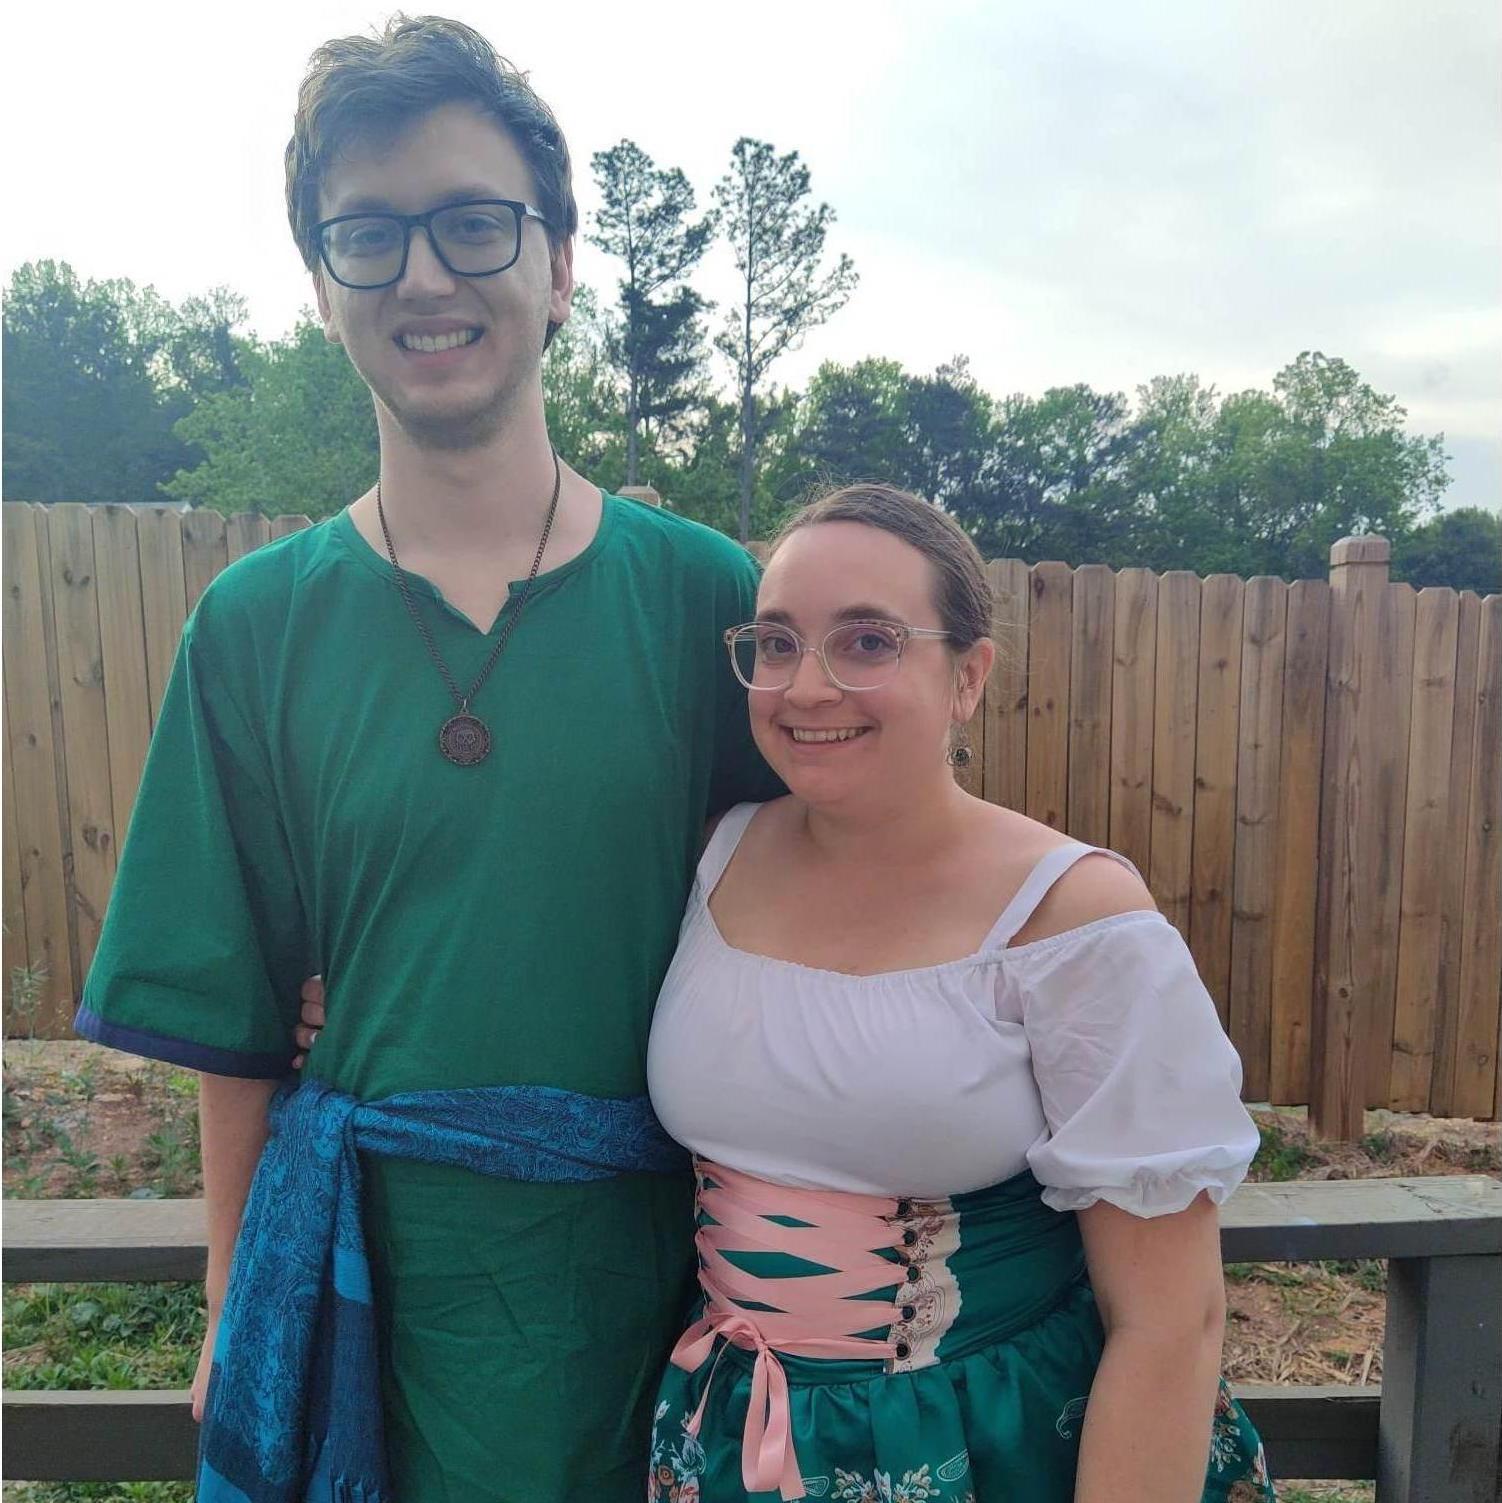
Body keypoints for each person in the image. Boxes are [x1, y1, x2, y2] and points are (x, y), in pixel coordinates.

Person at [75, 16, 778, 1502]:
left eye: (472, 224)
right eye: (369, 236)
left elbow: (836, 914)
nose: (426, 277)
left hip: (675, 1292)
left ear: (560, 262)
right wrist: (226, 1310)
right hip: (359, 1289)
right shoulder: (253, 627)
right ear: (323, 283)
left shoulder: (709, 599)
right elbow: (240, 1023)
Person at [299, 486, 1277, 1501]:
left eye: (866, 642)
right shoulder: (712, 857)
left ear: (968, 677)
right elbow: (533, 951)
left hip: (990, 1443)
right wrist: (357, 1001)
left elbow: (1170, 1323)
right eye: (775, 644)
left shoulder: (1072, 920)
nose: (805, 686)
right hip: (729, 1440)